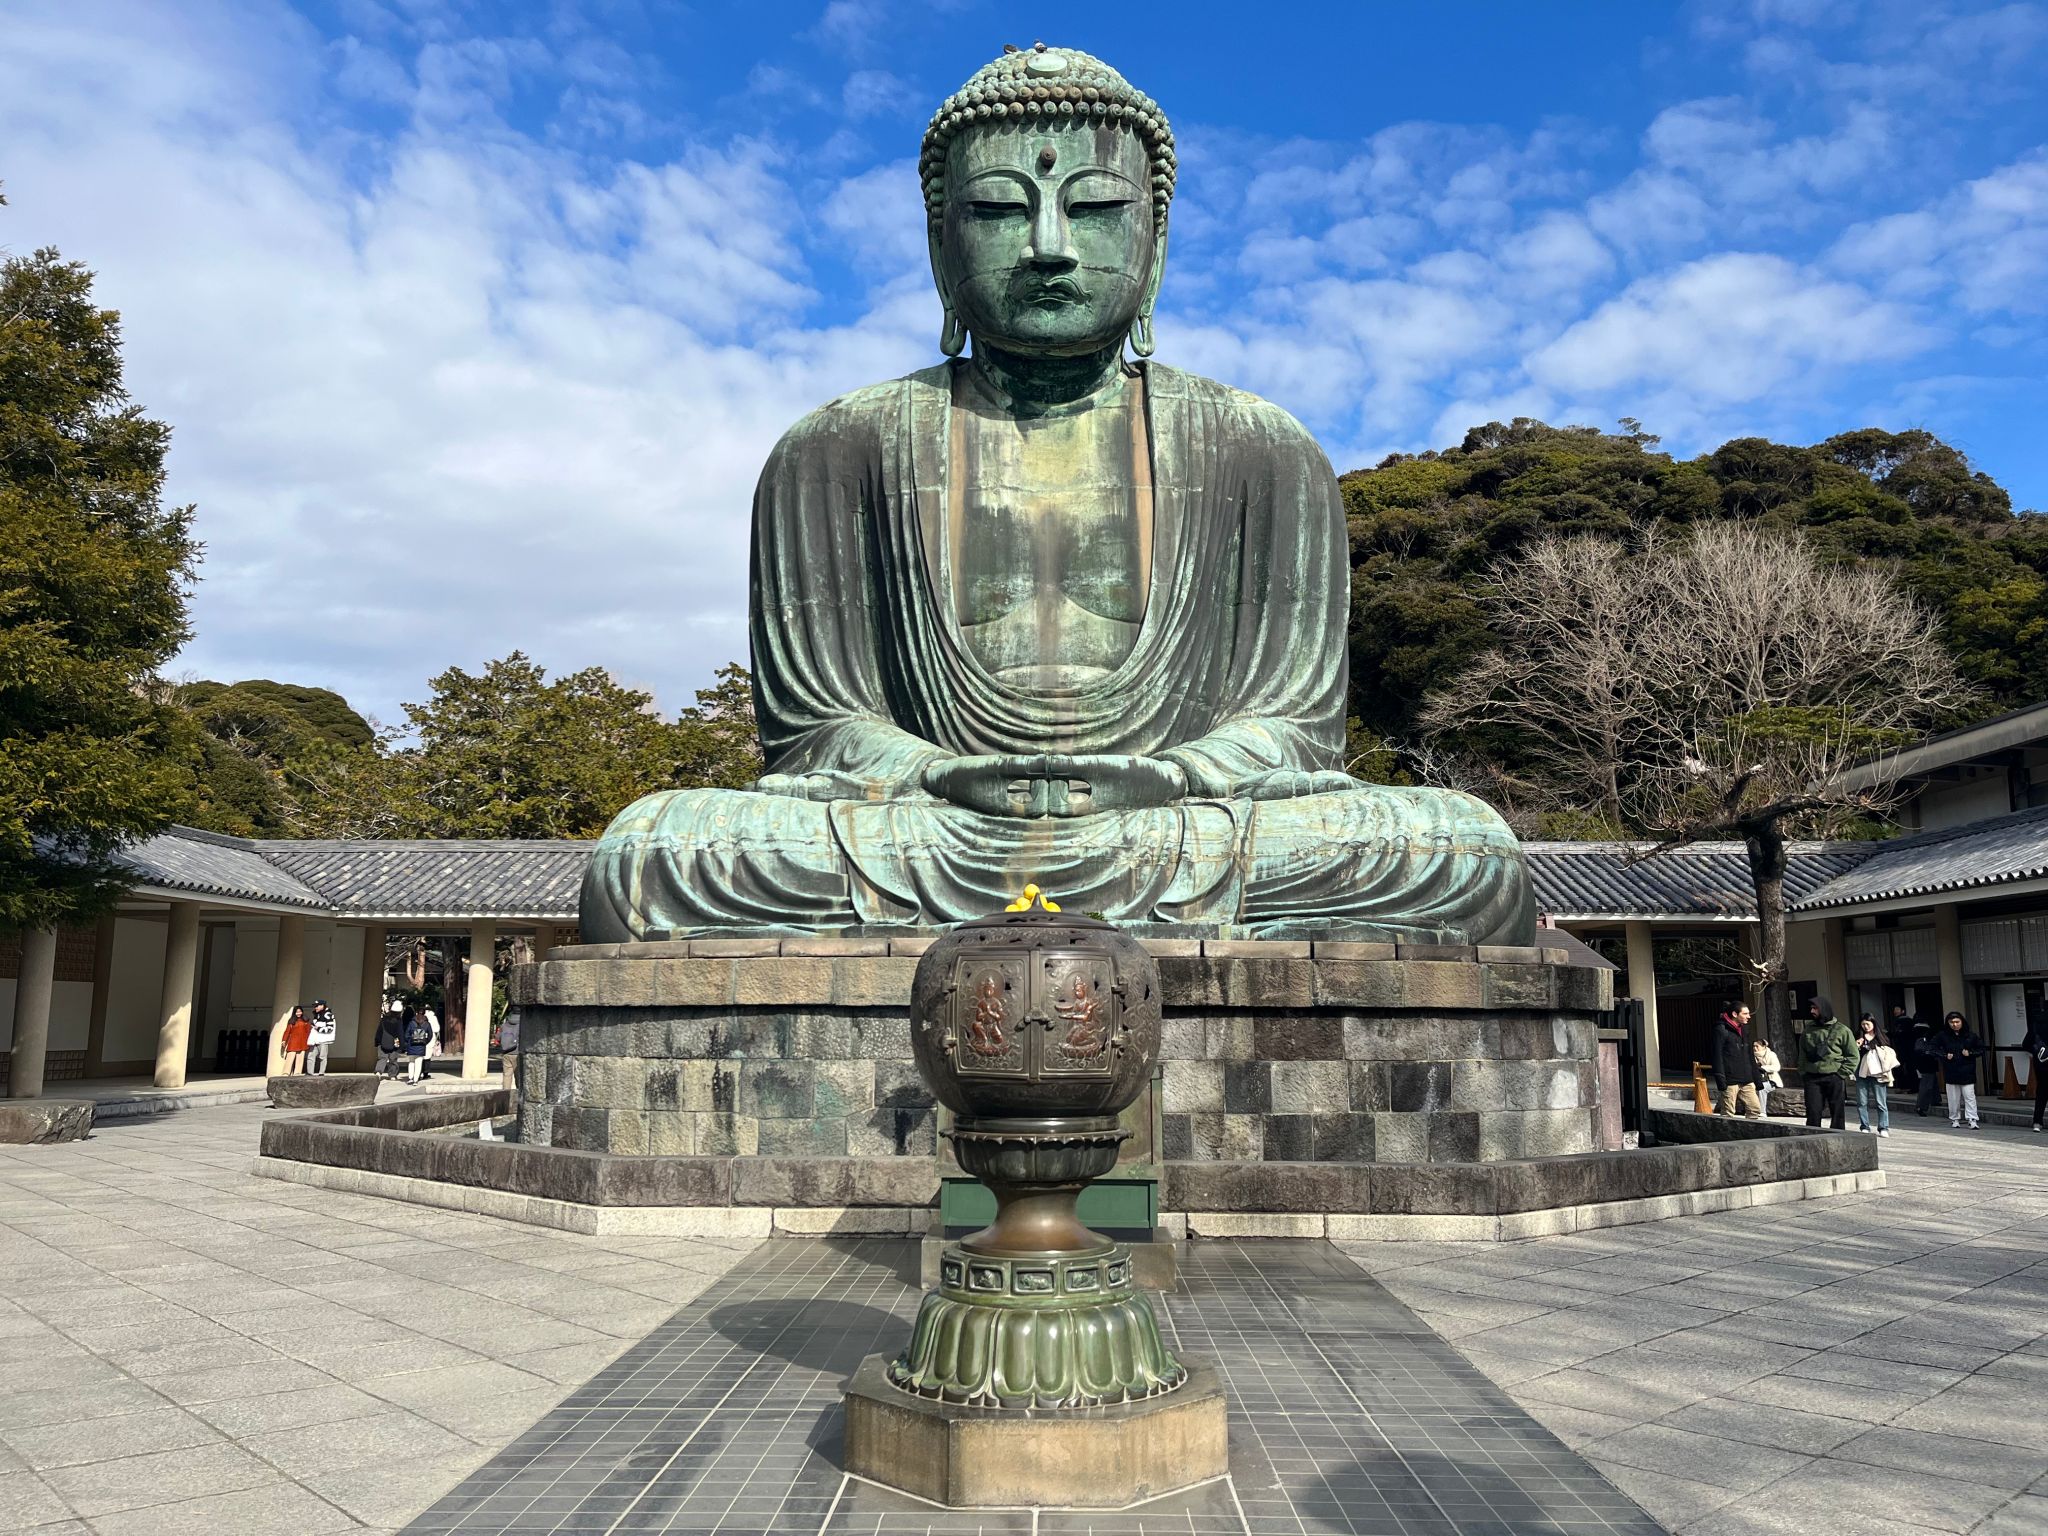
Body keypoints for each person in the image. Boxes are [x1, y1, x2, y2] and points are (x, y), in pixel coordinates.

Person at [1799, 997, 1854, 1130]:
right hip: (1812, 1076)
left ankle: (1837, 1136)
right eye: (1811, 1008)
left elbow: (1853, 1055)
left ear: (1823, 1009)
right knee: (1813, 1111)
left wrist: (1841, 1073)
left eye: (1815, 1008)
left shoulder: (1842, 1030)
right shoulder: (1808, 1029)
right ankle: (1812, 1137)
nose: (1812, 1011)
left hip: (1834, 1075)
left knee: (1837, 1112)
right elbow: (1802, 1053)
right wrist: (1803, 1072)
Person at [1711, 1003, 1761, 1119]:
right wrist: (1721, 1079)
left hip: (1746, 1078)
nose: (1749, 1016)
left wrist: (1756, 1078)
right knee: (1728, 1112)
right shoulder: (1721, 1029)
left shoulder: (1744, 1029)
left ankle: (1750, 1129)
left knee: (1755, 1109)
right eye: (1745, 1014)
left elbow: (1749, 1055)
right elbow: (1717, 1055)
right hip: (1730, 1079)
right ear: (1734, 1014)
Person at [1936, 1010, 1983, 1129]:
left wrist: (1970, 1053)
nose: (1954, 1024)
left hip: (1967, 1071)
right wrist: (1944, 1055)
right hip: (1951, 1070)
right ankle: (1954, 1119)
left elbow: (1981, 1049)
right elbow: (1933, 1048)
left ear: (1962, 1022)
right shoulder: (1943, 1036)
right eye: (1952, 1022)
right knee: (1953, 1098)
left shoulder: (1970, 1035)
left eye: (1957, 1022)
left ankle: (1972, 1119)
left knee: (1969, 1096)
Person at [1852, 1014, 1896, 1137]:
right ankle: (1864, 1126)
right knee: (1862, 1102)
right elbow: (1852, 1053)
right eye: (1863, 1024)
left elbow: (1888, 1052)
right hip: (1862, 1072)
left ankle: (1883, 1127)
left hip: (1878, 1072)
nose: (1865, 1027)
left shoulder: (1881, 1037)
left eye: (1868, 1024)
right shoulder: (1858, 1036)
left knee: (1881, 1102)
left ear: (1873, 1023)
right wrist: (1856, 1046)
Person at [1910, 1012, 1943, 1116]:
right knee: (1927, 1082)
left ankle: (1935, 1099)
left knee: (1930, 1080)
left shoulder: (1912, 1031)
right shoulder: (1927, 1032)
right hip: (1927, 1059)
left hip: (1918, 1059)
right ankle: (1921, 1106)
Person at [2027, 1006, 2048, 1133]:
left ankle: (2037, 1122)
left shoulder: (2036, 1026)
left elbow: (2026, 1044)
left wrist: (2037, 1052)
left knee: (2041, 1094)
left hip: (2041, 1064)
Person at [402, 1003, 434, 1085]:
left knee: (411, 1062)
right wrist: (425, 1042)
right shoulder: (427, 1024)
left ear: (416, 1013)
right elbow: (430, 1035)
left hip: (411, 1045)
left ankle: (410, 1078)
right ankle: (416, 1080)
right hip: (421, 1046)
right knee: (419, 1063)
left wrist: (409, 1041)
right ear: (424, 1013)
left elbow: (406, 1035)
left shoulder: (411, 1023)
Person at [305, 1000, 338, 1075]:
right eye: (315, 1006)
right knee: (311, 1056)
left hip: (323, 1039)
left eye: (317, 1006)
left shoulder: (328, 1014)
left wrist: (318, 1028)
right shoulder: (317, 1014)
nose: (315, 1007)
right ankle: (309, 1072)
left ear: (322, 1006)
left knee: (322, 1056)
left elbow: (330, 1028)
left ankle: (321, 1073)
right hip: (315, 1039)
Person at [1754, 1035, 1783, 1118]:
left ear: (1763, 1046)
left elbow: (1777, 1067)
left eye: (1757, 1046)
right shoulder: (1752, 1056)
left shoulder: (1771, 1054)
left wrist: (1763, 1068)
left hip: (1771, 1080)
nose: (1755, 1048)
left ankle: (1762, 1111)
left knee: (1762, 1088)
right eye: (1754, 1046)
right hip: (1757, 1079)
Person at [374, 1002, 404, 1078]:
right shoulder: (399, 1021)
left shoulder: (384, 1019)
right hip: (395, 1043)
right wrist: (402, 1045)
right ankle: (392, 1075)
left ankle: (378, 1072)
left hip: (383, 1042)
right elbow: (400, 1033)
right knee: (393, 1060)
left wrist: (377, 1041)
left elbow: (379, 1031)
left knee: (382, 1058)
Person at [281, 1003, 312, 1074]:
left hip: (303, 1042)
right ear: (294, 1013)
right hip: (293, 1042)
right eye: (297, 1012)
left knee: (300, 1059)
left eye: (300, 1011)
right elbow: (287, 1031)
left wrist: (309, 1041)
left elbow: (308, 1031)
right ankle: (286, 1072)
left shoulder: (305, 1021)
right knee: (290, 1057)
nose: (299, 1013)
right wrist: (284, 1040)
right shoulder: (291, 1021)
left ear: (302, 1012)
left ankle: (297, 1073)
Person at [499, 1005, 521, 1094]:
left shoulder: (505, 1024)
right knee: (518, 1076)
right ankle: (519, 1094)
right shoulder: (522, 1024)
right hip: (517, 1053)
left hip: (506, 1053)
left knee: (507, 1075)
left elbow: (498, 1037)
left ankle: (505, 1094)